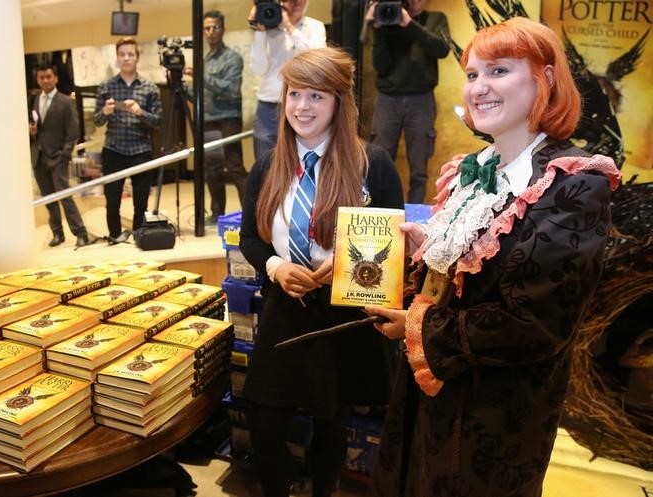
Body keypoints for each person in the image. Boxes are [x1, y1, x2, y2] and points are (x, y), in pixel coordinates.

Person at [364, 17, 621, 497]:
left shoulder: (574, 183)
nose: (479, 87)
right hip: (431, 398)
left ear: (545, 79)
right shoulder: (471, 172)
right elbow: (473, 279)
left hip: (493, 418)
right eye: (472, 74)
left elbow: (536, 324)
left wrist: (417, 326)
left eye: (498, 71)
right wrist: (427, 261)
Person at [239, 47, 404, 497]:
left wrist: (350, 263)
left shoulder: (374, 165)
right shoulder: (266, 167)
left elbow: (394, 243)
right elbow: (249, 240)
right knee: (266, 426)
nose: (301, 107)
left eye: (316, 96)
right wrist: (275, 266)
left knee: (332, 424)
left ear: (339, 103)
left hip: (343, 316)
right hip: (284, 309)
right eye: (295, 94)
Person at [364, 0, 450, 203]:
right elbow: (381, 66)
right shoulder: (386, 20)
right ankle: (377, 212)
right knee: (378, 160)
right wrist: (377, 29)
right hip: (388, 100)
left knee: (419, 170)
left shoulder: (435, 18)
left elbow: (441, 49)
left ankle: (414, 216)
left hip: (422, 100)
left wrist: (409, 23)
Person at [94, 37, 162, 243]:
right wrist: (105, 111)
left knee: (140, 202)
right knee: (112, 201)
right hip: (113, 151)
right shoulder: (106, 86)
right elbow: (97, 121)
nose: (126, 58)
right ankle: (115, 238)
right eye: (122, 54)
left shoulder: (150, 88)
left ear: (137, 57)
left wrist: (140, 111)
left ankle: (139, 238)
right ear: (117, 58)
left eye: (130, 54)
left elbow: (158, 122)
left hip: (141, 151)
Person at [185, 10, 247, 224]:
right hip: (208, 119)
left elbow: (230, 90)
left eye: (215, 27)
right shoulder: (206, 59)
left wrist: (201, 75)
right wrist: (182, 86)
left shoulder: (232, 57)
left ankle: (250, 214)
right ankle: (217, 213)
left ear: (223, 29)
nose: (211, 32)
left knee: (234, 167)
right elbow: (202, 95)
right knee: (212, 169)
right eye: (207, 28)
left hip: (228, 119)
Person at [248, 0, 326, 161]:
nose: (297, 2)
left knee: (302, 160)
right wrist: (260, 31)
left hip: (305, 106)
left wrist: (289, 28)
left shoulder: (315, 27)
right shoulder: (268, 25)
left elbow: (318, 62)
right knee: (265, 163)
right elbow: (258, 68)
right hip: (269, 105)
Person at [28, 64, 89, 248]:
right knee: (48, 198)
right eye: (41, 78)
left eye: (48, 77)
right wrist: (31, 132)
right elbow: (32, 125)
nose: (45, 81)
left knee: (65, 196)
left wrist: (64, 155)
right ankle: (57, 233)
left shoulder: (66, 102)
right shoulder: (33, 100)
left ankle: (81, 233)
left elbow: (73, 133)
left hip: (58, 158)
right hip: (38, 157)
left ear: (55, 78)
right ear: (38, 80)